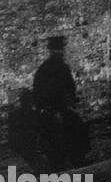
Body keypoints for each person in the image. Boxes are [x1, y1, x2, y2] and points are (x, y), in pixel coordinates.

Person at [31, 36, 90, 169]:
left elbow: (70, 88)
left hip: (61, 109)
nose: (60, 53)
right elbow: (40, 94)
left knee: (77, 128)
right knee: (58, 135)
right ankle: (60, 162)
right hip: (50, 111)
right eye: (57, 50)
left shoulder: (62, 68)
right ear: (52, 51)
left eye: (61, 50)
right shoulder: (45, 70)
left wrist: (70, 104)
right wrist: (52, 111)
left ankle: (75, 159)